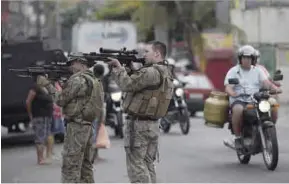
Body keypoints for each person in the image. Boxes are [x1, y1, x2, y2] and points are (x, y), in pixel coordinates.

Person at [108, 41, 174, 183]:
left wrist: (119, 69)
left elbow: (128, 84)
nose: (143, 55)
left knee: (137, 166)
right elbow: (141, 86)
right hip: (152, 125)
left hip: (139, 125)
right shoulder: (165, 71)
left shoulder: (150, 71)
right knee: (147, 164)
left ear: (157, 53)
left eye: (146, 52)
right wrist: (130, 70)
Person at [36, 55, 104, 183]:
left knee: (70, 167)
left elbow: (61, 100)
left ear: (81, 63)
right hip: (87, 125)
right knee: (86, 167)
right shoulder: (93, 78)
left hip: (76, 127)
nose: (70, 67)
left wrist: (48, 85)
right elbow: (78, 97)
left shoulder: (77, 79)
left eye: (72, 63)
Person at [223, 45, 282, 150]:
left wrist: (275, 88)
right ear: (240, 58)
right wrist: (232, 93)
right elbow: (228, 87)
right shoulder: (233, 71)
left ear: (253, 59)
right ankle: (238, 138)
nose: (247, 60)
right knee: (238, 110)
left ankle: (267, 131)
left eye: (249, 58)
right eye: (245, 57)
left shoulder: (258, 71)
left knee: (272, 106)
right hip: (239, 100)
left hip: (255, 99)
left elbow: (266, 83)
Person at [26, 75, 54, 165]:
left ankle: (47, 156)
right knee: (40, 137)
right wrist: (30, 114)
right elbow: (28, 102)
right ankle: (40, 159)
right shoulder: (35, 88)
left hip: (47, 116)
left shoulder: (47, 88)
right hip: (38, 116)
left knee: (47, 135)